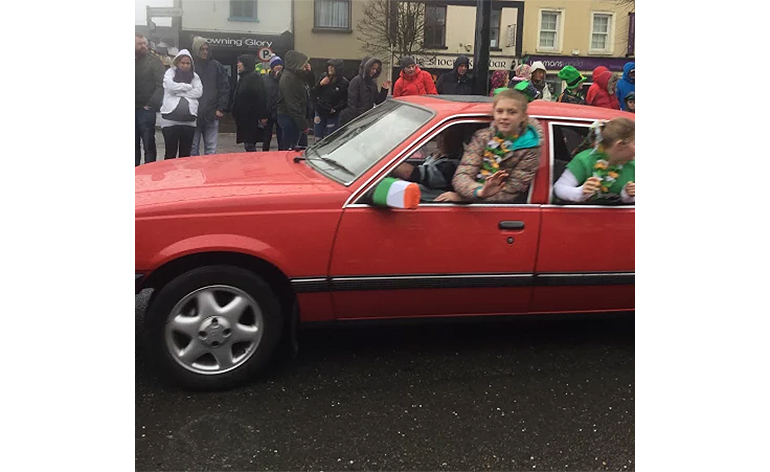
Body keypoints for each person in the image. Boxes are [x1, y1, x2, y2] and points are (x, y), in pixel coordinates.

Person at [435, 89, 543, 203]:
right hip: (476, 196)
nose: (504, 116)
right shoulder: (482, 137)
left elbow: (512, 190)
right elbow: (463, 174)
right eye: (500, 111)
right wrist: (479, 192)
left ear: (523, 117)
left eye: (512, 112)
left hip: (503, 211)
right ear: (494, 114)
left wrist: (464, 199)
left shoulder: (530, 147)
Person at [554, 118, 635, 204]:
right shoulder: (585, 160)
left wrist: (628, 195)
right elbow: (559, 188)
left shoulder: (634, 165)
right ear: (620, 145)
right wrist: (581, 192)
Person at [390, 128, 468, 202]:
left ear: (458, 140)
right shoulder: (438, 156)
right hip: (415, 197)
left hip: (428, 202)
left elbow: (413, 173)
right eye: (440, 135)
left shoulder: (453, 165)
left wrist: (389, 163)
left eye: (448, 137)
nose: (441, 140)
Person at [159, 49, 203, 159]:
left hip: (189, 121)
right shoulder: (170, 73)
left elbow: (198, 92)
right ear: (177, 63)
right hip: (169, 121)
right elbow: (170, 87)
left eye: (188, 63)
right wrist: (187, 87)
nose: (185, 65)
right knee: (170, 153)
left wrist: (179, 93)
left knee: (185, 155)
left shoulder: (195, 76)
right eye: (182, 63)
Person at [189, 37, 230, 156]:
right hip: (194, 113)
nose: (205, 52)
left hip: (212, 113)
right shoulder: (190, 65)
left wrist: (221, 108)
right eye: (202, 49)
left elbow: (224, 87)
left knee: (211, 149)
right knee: (193, 149)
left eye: (207, 49)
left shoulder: (216, 66)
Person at [135, 33, 165, 166]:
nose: (143, 47)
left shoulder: (154, 61)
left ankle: (149, 171)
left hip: (146, 110)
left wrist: (151, 104)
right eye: (139, 44)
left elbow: (161, 84)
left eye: (144, 44)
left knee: (148, 144)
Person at [277, 50, 313, 150]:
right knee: (290, 150)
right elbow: (292, 104)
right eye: (303, 62)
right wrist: (303, 125)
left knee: (298, 149)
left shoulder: (297, 76)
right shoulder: (288, 79)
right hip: (291, 119)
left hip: (295, 118)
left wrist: (309, 73)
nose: (305, 65)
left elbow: (310, 88)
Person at [231, 54, 267, 152]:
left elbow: (261, 97)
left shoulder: (253, 78)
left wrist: (263, 115)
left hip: (251, 118)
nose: (238, 65)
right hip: (244, 118)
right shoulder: (243, 78)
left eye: (240, 62)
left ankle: (254, 165)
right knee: (248, 144)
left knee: (250, 144)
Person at [343, 57, 391, 124]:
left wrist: (384, 90)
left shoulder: (372, 83)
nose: (374, 71)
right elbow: (352, 104)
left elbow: (378, 101)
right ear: (366, 68)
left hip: (367, 118)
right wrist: (357, 121)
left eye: (376, 69)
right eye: (373, 69)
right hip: (357, 120)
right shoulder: (355, 81)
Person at [312, 59, 349, 142]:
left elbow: (345, 101)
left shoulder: (343, 82)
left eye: (333, 67)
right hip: (320, 111)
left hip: (333, 114)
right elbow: (314, 93)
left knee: (331, 138)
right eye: (329, 66)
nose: (330, 68)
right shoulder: (323, 77)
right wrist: (320, 84)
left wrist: (335, 109)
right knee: (317, 137)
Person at [262, 55, 284, 151]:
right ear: (272, 66)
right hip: (268, 112)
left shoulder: (284, 79)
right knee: (267, 136)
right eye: (276, 65)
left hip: (280, 111)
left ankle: (281, 155)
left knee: (281, 137)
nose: (278, 67)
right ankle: (264, 155)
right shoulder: (265, 79)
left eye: (280, 65)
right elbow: (262, 97)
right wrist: (263, 114)